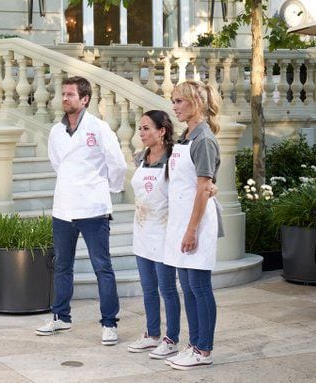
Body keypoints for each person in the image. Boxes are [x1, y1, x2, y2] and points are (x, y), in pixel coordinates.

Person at [35, 76, 127, 346]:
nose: (65, 98)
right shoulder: (55, 131)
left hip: (93, 209)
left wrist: (106, 187)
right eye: (63, 94)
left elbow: (117, 164)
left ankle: (109, 323)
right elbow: (58, 164)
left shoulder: (99, 128)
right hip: (63, 209)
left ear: (84, 99)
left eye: (70, 94)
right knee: (63, 266)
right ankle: (61, 317)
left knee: (103, 267)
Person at [163, 80, 223, 370]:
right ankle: (194, 343)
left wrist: (191, 230)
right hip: (182, 221)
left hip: (196, 224)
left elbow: (203, 188)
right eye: (173, 101)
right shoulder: (187, 136)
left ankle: (204, 350)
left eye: (179, 101)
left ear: (195, 102)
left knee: (199, 287)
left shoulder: (203, 139)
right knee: (187, 286)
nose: (174, 106)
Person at [126, 110, 181, 359]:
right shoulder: (140, 158)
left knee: (167, 289)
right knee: (148, 288)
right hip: (142, 230)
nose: (142, 133)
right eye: (140, 128)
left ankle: (171, 339)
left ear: (162, 131)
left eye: (147, 128)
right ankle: (151, 334)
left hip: (164, 231)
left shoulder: (174, 159)